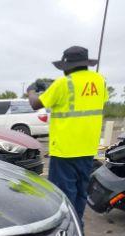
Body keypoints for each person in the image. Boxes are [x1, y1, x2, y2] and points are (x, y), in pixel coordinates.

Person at [28, 46, 108, 222]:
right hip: (87, 149)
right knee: (80, 192)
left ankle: (64, 232)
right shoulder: (100, 81)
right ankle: (77, 226)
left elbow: (35, 104)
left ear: (68, 66)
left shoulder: (64, 83)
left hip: (64, 151)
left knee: (62, 196)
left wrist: (31, 91)